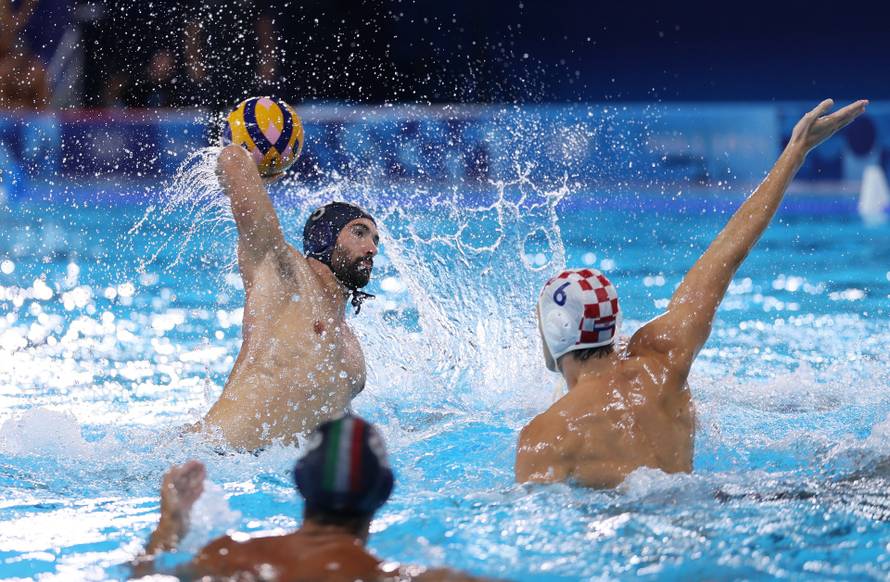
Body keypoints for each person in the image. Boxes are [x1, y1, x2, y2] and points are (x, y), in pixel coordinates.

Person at [515, 99, 868, 489]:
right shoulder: (662, 358)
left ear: (555, 331)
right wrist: (795, 152)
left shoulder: (545, 437)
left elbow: (534, 513)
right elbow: (727, 254)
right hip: (713, 500)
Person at [137, 415, 486, 581]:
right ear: (385, 493)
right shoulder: (395, 578)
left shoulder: (225, 557)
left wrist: (169, 527)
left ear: (299, 482)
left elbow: (142, 574)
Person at [194, 144, 380, 450]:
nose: (372, 248)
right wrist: (259, 170)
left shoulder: (352, 353)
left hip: (270, 470)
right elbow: (232, 158)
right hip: (211, 456)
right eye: (359, 233)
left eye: (375, 240)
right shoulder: (285, 277)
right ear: (324, 238)